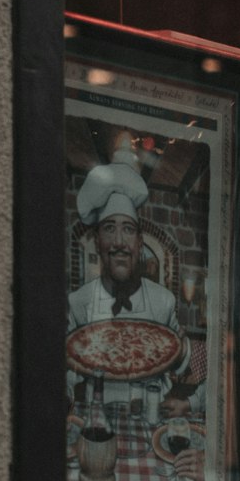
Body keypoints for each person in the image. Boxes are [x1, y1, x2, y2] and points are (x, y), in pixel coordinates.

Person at [67, 136, 198, 412]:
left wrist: (184, 350)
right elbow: (64, 374)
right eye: (109, 229)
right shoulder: (77, 303)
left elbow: (182, 362)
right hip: (97, 420)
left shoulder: (164, 301)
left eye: (128, 229)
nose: (118, 242)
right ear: (97, 241)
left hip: (153, 419)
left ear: (139, 243)